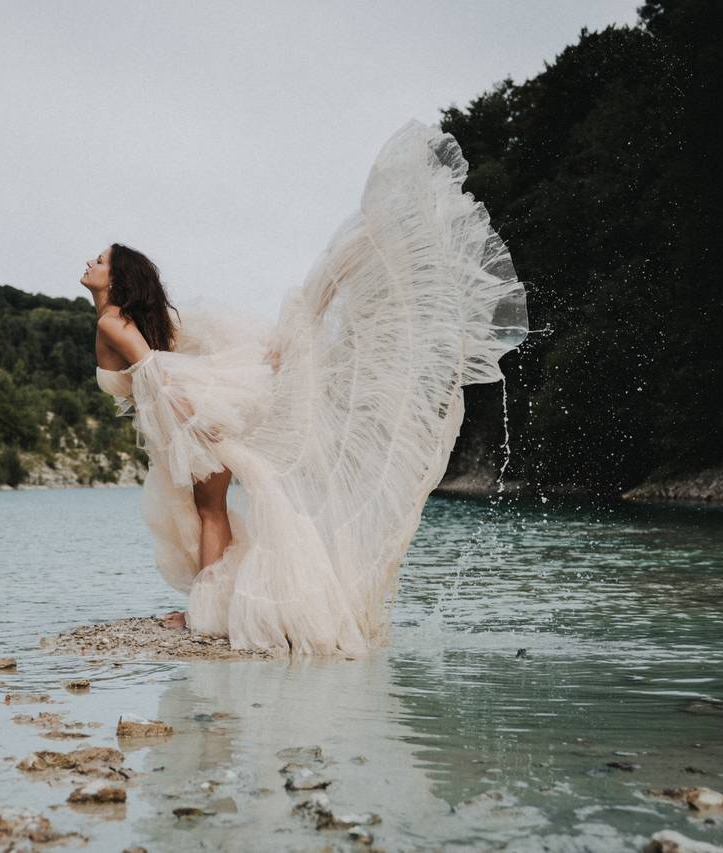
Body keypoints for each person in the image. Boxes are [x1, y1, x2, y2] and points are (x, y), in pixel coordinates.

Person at [82, 119, 528, 656]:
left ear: (117, 280)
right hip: (192, 409)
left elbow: (154, 371)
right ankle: (214, 606)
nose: (89, 262)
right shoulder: (131, 320)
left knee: (209, 511)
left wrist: (197, 421)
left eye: (99, 260)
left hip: (193, 412)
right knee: (210, 510)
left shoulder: (113, 323)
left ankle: (211, 614)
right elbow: (164, 364)